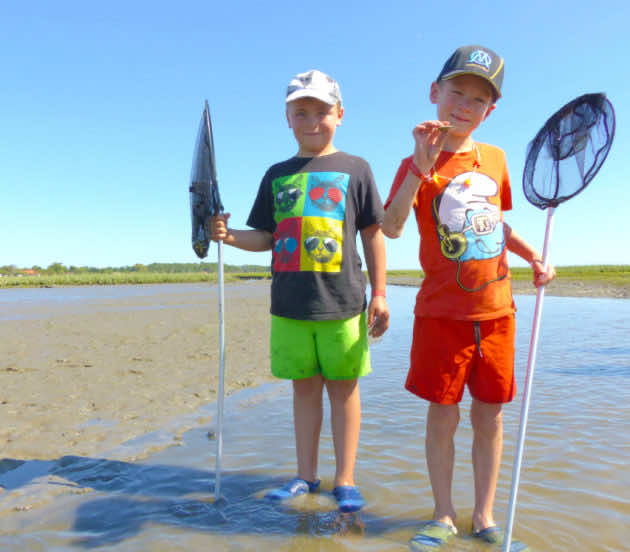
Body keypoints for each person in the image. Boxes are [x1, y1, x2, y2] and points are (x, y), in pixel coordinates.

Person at [382, 45, 556, 550]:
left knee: (490, 415)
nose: (465, 104)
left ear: (490, 110)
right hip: (440, 313)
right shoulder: (413, 163)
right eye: (456, 91)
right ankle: (443, 515)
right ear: (435, 93)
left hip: (497, 311)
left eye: (478, 98)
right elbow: (392, 228)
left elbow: (495, 224)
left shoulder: (496, 158)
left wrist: (533, 259)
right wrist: (420, 165)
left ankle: (484, 518)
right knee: (443, 415)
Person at [208, 69, 389, 513]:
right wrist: (228, 236)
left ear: (340, 115)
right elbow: (265, 235)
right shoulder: (276, 174)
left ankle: (344, 479)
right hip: (289, 305)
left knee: (343, 390)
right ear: (287, 118)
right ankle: (306, 475)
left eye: (322, 111)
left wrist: (380, 293)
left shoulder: (356, 168)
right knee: (304, 391)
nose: (312, 120)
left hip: (343, 302)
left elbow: (373, 235)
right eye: (301, 112)